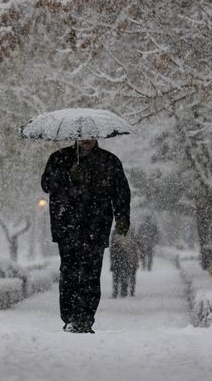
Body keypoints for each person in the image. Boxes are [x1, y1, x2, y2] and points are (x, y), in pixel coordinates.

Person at [41, 139, 130, 333]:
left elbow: (121, 192)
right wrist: (67, 175)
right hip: (66, 226)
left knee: (91, 274)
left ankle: (86, 318)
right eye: (83, 136)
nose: (87, 139)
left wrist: (122, 217)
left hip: (96, 227)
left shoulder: (109, 161)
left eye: (91, 135)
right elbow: (46, 185)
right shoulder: (59, 158)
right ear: (76, 137)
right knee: (69, 273)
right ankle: (70, 317)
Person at [109, 228, 139, 298]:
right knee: (121, 276)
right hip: (120, 258)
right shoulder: (127, 231)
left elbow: (133, 246)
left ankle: (119, 292)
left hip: (120, 258)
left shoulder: (122, 232)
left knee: (119, 276)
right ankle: (121, 292)